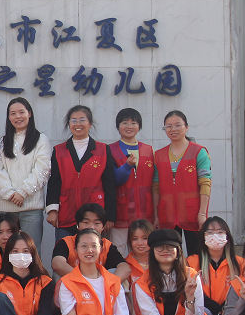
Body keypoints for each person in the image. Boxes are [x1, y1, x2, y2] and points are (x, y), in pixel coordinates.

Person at [133, 228, 231, 315]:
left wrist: (190, 298)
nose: (165, 251)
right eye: (160, 247)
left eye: (170, 247)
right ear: (153, 251)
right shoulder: (142, 282)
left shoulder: (191, 275)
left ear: (178, 250)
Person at [45, 105, 116, 242]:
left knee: (92, 252)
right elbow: (54, 183)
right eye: (73, 120)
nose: (78, 124)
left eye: (82, 120)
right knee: (64, 251)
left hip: (94, 215)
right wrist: (52, 210)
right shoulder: (59, 151)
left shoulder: (103, 150)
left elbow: (110, 185)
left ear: (90, 124)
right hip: (67, 213)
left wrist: (110, 216)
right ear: (69, 124)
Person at [0, 96, 52, 248]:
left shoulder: (41, 140)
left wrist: (23, 193)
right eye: (13, 113)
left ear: (29, 113)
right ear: (8, 117)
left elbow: (42, 170)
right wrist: (10, 194)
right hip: (6, 209)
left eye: (21, 112)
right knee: (5, 252)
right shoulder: (2, 142)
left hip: (31, 209)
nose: (17, 117)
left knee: (30, 251)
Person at [153, 110, 211, 259]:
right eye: (169, 126)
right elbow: (156, 187)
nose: (173, 129)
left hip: (193, 212)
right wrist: (156, 215)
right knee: (170, 256)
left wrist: (202, 213)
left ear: (186, 127)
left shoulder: (198, 152)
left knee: (196, 256)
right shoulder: (158, 155)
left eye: (178, 125)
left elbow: (205, 183)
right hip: (167, 213)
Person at [108, 108, 154, 257]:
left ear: (139, 126)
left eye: (133, 123)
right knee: (117, 253)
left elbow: (155, 183)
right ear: (118, 126)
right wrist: (127, 166)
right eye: (124, 122)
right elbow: (113, 180)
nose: (129, 126)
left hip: (145, 212)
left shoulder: (149, 150)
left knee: (144, 253)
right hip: (121, 212)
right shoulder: (110, 150)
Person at [50, 203, 128, 279]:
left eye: (97, 223)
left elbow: (125, 267)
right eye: (86, 222)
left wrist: (110, 283)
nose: (91, 227)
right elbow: (57, 263)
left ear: (103, 227)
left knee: (115, 273)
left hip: (99, 285)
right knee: (58, 275)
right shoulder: (66, 242)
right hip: (74, 282)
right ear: (77, 225)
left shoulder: (107, 245)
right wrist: (84, 280)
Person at [189, 216, 243, 315]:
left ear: (227, 236)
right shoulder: (191, 262)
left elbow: (241, 290)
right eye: (210, 232)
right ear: (203, 236)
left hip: (230, 314)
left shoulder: (240, 263)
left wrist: (224, 308)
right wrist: (210, 306)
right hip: (202, 313)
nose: (215, 236)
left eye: (220, 232)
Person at [122, 220, 154, 287]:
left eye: (144, 238)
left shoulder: (161, 261)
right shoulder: (126, 264)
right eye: (135, 239)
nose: (140, 243)